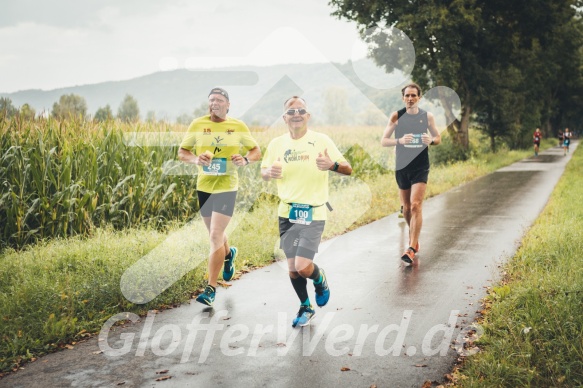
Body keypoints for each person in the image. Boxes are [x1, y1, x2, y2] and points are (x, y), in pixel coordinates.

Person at [261, 96, 352, 327]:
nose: (296, 114)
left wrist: (331, 165)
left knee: (303, 267)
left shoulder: (321, 141)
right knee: (292, 269)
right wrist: (269, 172)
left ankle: (319, 279)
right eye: (291, 111)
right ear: (284, 118)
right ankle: (306, 306)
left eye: (301, 110)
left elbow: (348, 168)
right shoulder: (276, 144)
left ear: (308, 116)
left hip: (314, 212)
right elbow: (264, 171)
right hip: (287, 212)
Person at [178, 87, 261, 306]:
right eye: (211, 99)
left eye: (219, 99)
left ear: (228, 104)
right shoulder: (197, 124)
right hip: (204, 187)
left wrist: (245, 160)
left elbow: (256, 151)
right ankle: (229, 254)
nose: (214, 102)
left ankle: (210, 288)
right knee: (217, 235)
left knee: (215, 235)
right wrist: (196, 160)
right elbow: (182, 152)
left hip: (227, 187)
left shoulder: (237, 126)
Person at [381, 83, 441, 264]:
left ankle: (412, 247)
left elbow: (438, 138)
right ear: (403, 98)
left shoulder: (427, 117)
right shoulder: (396, 116)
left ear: (419, 97)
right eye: (407, 95)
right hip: (402, 167)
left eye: (413, 95)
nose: (410, 98)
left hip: (420, 166)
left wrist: (430, 140)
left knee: (415, 205)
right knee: (406, 209)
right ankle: (414, 235)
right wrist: (399, 140)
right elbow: (384, 140)